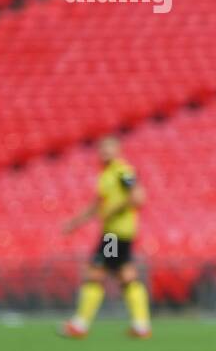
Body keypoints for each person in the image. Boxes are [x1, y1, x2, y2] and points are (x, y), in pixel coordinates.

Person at [60, 136, 152, 339]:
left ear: (118, 149)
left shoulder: (122, 172)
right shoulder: (105, 175)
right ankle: (141, 325)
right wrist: (75, 223)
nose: (105, 152)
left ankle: (80, 324)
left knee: (95, 272)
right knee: (126, 276)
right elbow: (97, 205)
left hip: (114, 234)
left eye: (109, 148)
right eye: (102, 149)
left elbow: (138, 196)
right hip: (118, 233)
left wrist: (113, 211)